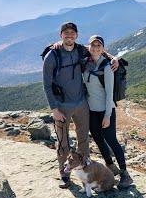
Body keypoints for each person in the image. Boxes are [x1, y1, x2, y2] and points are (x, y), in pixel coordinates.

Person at [41, 22, 118, 189]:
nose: (69, 36)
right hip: (62, 106)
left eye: (72, 33)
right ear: (60, 35)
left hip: (82, 103)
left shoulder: (80, 49)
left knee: (83, 139)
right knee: (63, 141)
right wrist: (54, 109)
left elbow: (97, 49)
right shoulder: (52, 55)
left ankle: (85, 170)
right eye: (66, 33)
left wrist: (113, 58)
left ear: (76, 35)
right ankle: (64, 174)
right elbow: (46, 85)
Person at [83, 35, 133, 189]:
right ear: (89, 47)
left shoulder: (107, 67)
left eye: (99, 45)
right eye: (93, 45)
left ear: (103, 48)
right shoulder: (85, 63)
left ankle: (125, 173)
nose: (96, 48)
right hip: (91, 111)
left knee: (111, 140)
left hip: (106, 110)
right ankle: (111, 166)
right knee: (98, 139)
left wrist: (107, 116)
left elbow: (109, 93)